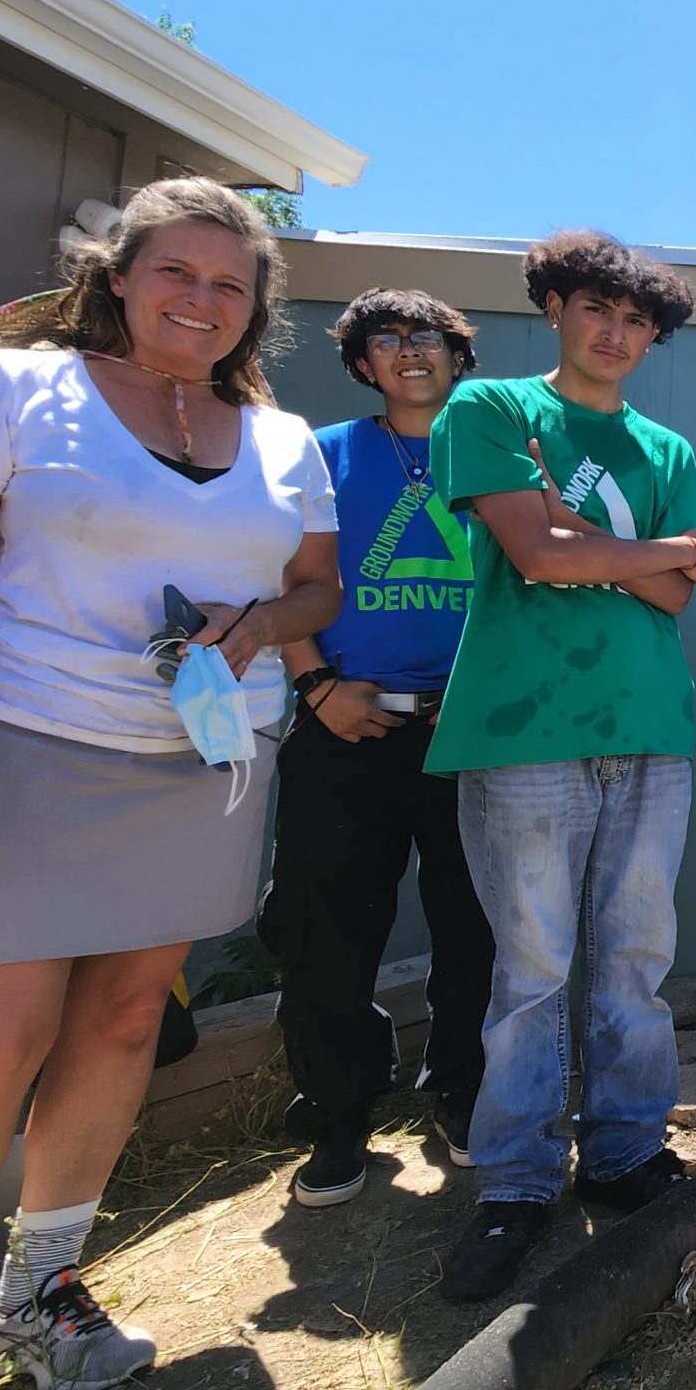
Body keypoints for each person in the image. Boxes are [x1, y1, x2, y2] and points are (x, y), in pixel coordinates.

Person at [0, 179, 340, 1390]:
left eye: (230, 286)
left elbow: (314, 589)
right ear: (118, 273)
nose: (201, 301)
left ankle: (35, 1300)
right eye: (177, 271)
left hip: (196, 756)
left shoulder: (284, 443)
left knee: (122, 1023)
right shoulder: (7, 388)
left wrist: (258, 630)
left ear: (254, 309)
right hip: (15, 740)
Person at [428, 229, 696, 1303]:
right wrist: (640, 555)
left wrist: (581, 536)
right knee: (533, 971)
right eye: (599, 309)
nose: (618, 333)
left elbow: (677, 594)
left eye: (639, 321)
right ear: (554, 305)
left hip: (648, 724)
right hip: (521, 730)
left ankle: (628, 1155)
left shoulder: (669, 450)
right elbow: (537, 559)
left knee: (635, 957)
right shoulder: (491, 411)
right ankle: (514, 1183)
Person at [258, 288, 498, 1209]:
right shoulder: (324, 455)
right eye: (387, 341)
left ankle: (463, 1095)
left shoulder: (498, 457)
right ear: (362, 364)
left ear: (455, 355)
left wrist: (478, 698)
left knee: (473, 929)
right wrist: (318, 687)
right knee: (326, 933)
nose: (409, 352)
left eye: (427, 336)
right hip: (344, 724)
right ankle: (337, 1117)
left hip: (466, 732)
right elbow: (278, 580)